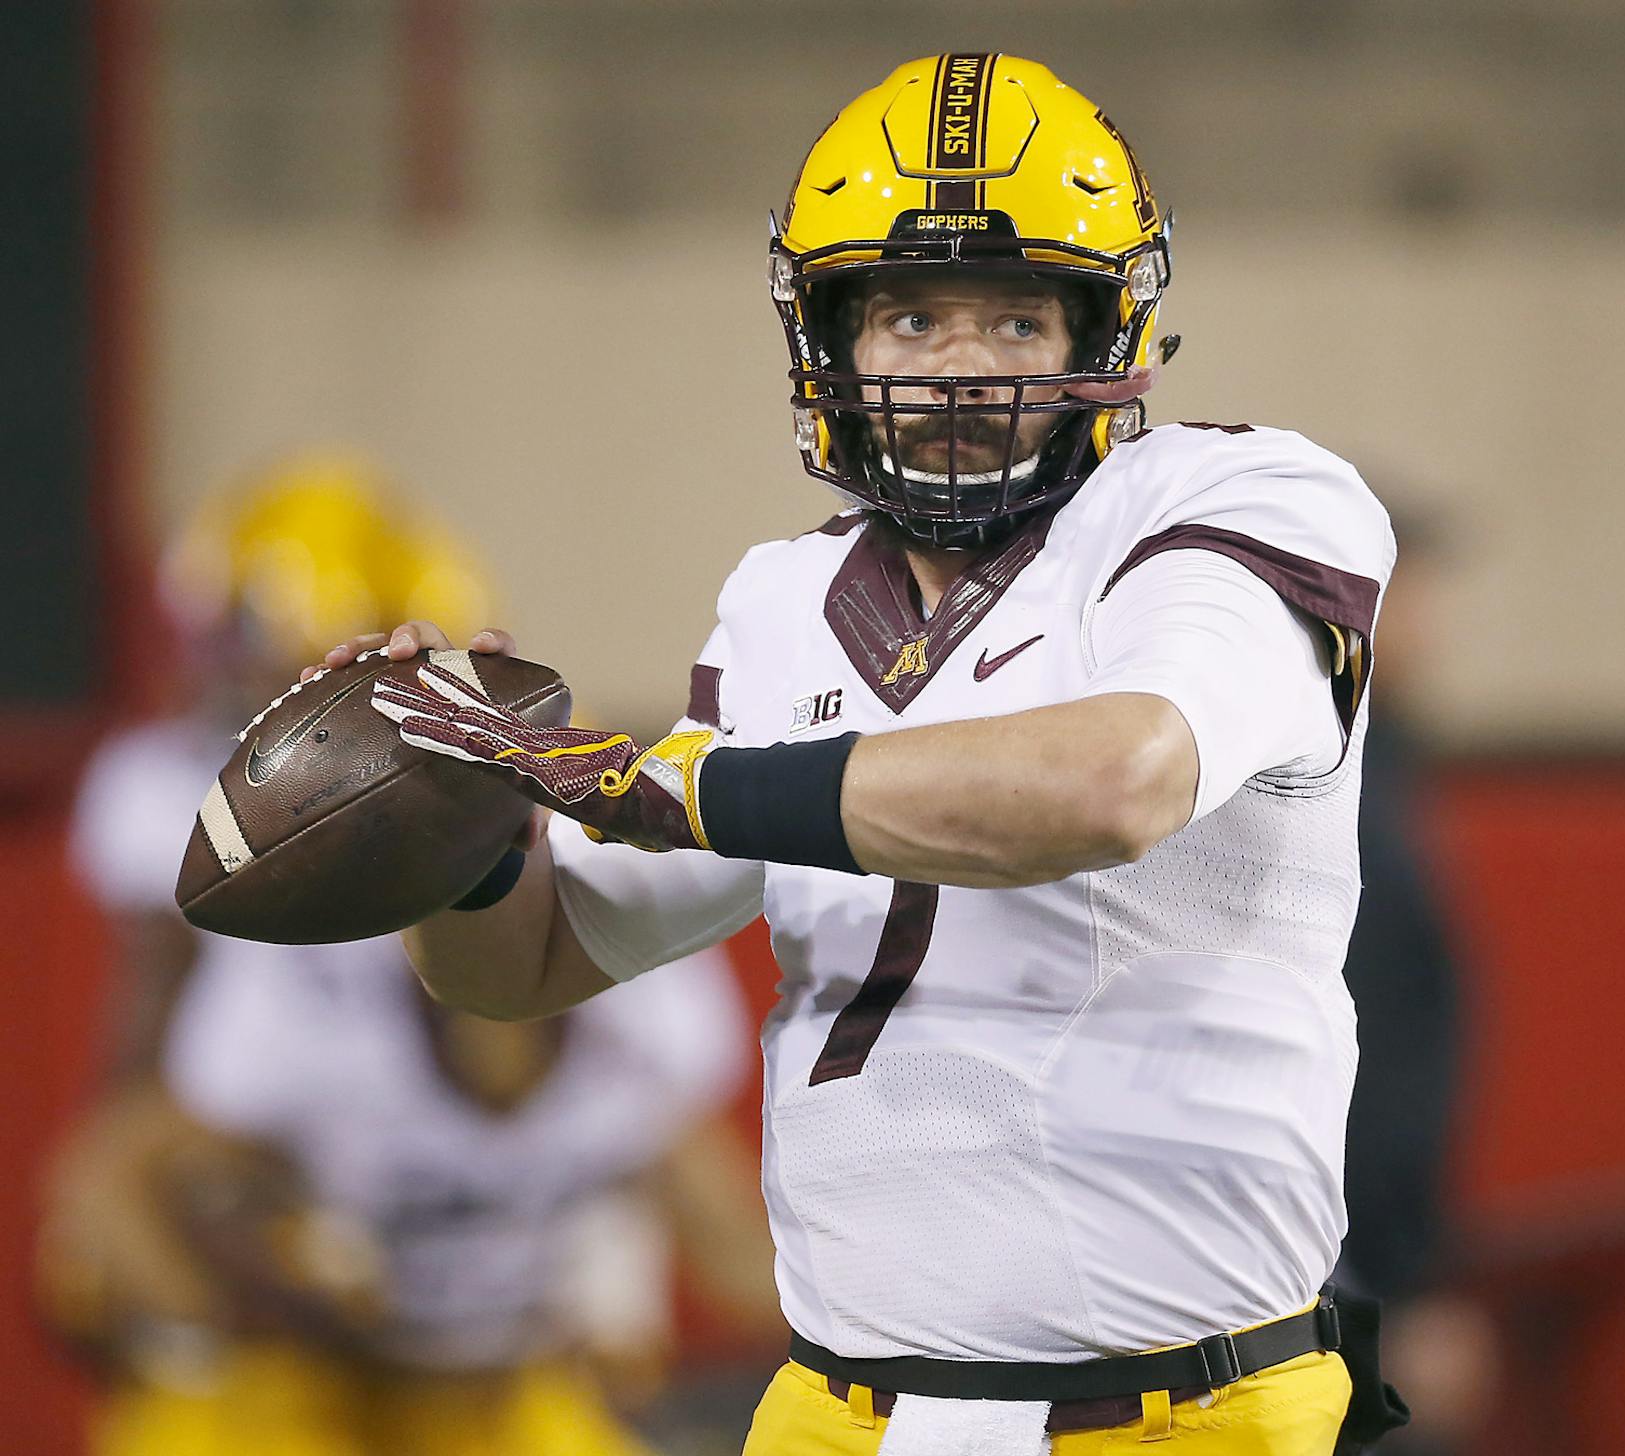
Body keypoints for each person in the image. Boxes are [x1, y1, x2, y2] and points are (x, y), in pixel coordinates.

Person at [308, 55, 1402, 1455]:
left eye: (1018, 318)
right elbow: (522, 968)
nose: (962, 364)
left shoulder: (1234, 503)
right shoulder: (784, 603)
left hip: (1184, 1412)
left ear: (1104, 333)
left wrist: (682, 788)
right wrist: (448, 826)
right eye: (912, 315)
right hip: (837, 1412)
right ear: (834, 341)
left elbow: (1118, 783)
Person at [42, 457, 779, 1456]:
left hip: (498, 1377)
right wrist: (237, 1298)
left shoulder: (643, 1010)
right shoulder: (307, 995)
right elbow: (108, 1185)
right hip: (310, 1373)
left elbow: (735, 1246)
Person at [1333, 508, 1500, 1453]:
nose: (1430, 622)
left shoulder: (1377, 769)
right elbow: (1357, 1062)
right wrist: (1386, 1302)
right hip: (1327, 1293)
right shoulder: (1326, 788)